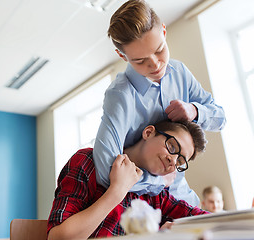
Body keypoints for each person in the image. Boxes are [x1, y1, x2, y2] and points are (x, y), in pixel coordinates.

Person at [93, 0, 226, 207]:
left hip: (184, 199)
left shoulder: (179, 72)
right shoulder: (120, 96)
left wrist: (194, 110)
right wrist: (157, 181)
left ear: (163, 31)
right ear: (122, 56)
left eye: (159, 49)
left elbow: (220, 118)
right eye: (140, 60)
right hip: (144, 206)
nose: (155, 64)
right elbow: (105, 171)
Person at [47, 120, 209, 239]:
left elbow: (203, 218)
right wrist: (117, 191)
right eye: (172, 147)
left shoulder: (157, 193)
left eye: (180, 161)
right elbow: (58, 237)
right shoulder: (88, 161)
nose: (173, 161)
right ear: (148, 132)